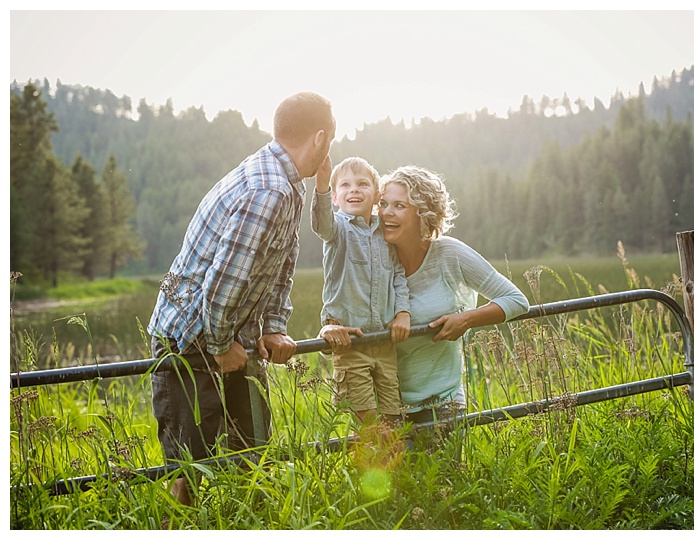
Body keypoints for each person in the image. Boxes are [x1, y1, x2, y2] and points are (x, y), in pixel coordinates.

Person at [147, 91, 335, 506]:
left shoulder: (287, 184)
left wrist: (273, 327)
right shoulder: (266, 190)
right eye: (330, 143)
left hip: (233, 336)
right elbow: (223, 284)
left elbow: (278, 267)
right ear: (320, 138)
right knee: (190, 470)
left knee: (253, 454)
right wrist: (218, 347)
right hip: (191, 340)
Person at [376, 165, 530, 425]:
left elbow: (516, 301)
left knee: (449, 468)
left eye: (399, 206)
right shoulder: (373, 259)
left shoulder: (449, 254)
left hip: (443, 405)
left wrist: (466, 319)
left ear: (423, 214)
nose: (386, 213)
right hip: (386, 411)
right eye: (383, 203)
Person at [311, 157, 411, 425]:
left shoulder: (385, 235)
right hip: (350, 342)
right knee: (368, 425)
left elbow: (398, 276)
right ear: (334, 197)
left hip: (384, 341)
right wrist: (321, 185)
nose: (353, 189)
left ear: (377, 195)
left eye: (362, 184)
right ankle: (370, 465)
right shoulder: (338, 230)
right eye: (345, 185)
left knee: (394, 420)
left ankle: (395, 466)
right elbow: (321, 223)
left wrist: (403, 313)